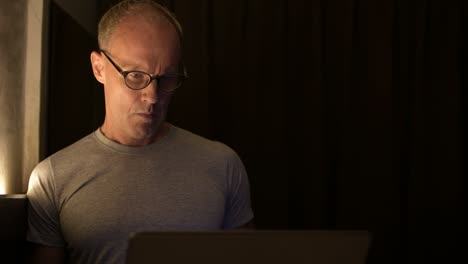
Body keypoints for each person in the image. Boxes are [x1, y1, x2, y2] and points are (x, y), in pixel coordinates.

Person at [25, 0, 254, 263]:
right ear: (99, 67)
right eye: (135, 75)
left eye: (166, 77)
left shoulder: (222, 165)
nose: (153, 96)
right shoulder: (54, 177)